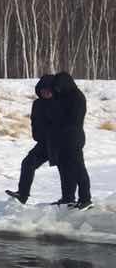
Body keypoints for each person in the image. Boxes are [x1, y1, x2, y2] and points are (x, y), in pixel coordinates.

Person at [6, 75, 57, 205]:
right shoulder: (37, 104)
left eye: (49, 90)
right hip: (43, 144)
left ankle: (70, 199)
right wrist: (39, 136)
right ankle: (22, 195)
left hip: (59, 143)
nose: (45, 92)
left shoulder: (59, 103)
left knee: (67, 170)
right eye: (43, 90)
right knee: (28, 163)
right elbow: (34, 122)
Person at [50, 72, 92, 210]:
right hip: (61, 140)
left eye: (58, 86)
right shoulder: (60, 97)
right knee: (65, 170)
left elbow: (74, 119)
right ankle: (68, 197)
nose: (57, 89)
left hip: (73, 138)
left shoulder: (77, 97)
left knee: (78, 168)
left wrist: (59, 123)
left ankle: (85, 199)